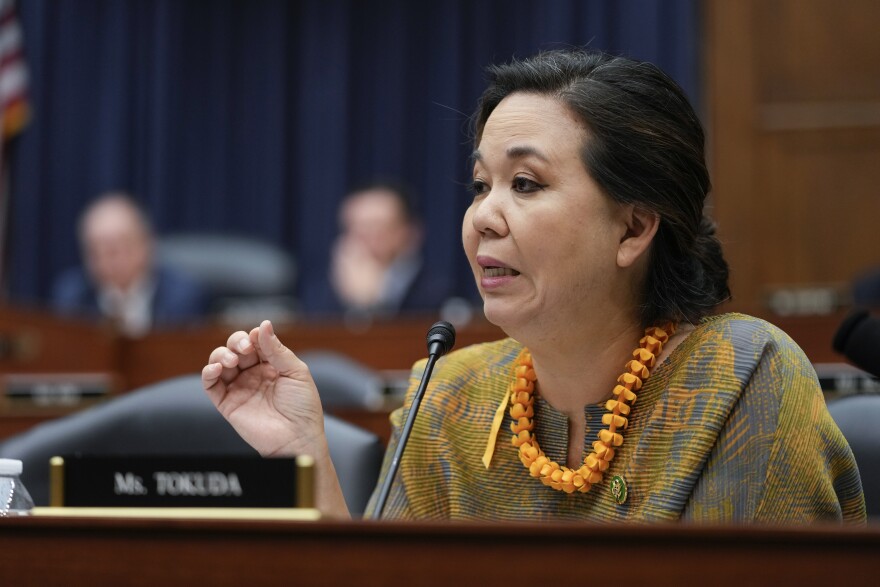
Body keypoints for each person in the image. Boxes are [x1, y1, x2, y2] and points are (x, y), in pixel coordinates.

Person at [202, 50, 865, 523]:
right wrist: (305, 454)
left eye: (525, 184)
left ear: (633, 228)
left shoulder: (742, 375)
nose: (483, 216)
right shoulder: (452, 395)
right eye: (480, 185)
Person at [52, 192, 208, 337]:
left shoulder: (183, 296)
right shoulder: (73, 295)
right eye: (95, 252)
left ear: (146, 244)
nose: (105, 261)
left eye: (115, 250)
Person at [299, 180, 453, 321]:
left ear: (409, 231)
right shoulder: (319, 295)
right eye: (357, 228)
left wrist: (373, 304)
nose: (366, 237)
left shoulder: (435, 293)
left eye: (377, 226)